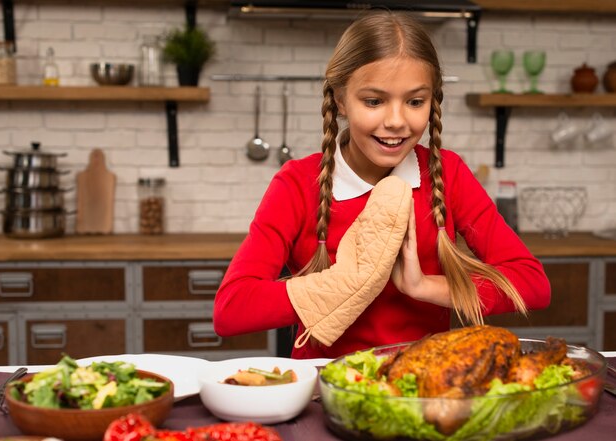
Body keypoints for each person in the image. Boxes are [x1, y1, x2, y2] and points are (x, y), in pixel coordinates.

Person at [213, 11, 550, 359]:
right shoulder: (298, 183)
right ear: (341, 99)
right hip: (324, 389)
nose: (395, 121)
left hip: (420, 387)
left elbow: (532, 284)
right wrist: (348, 283)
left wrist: (424, 286)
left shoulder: (447, 174)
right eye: (374, 101)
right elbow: (231, 309)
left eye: (415, 101)